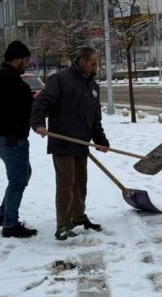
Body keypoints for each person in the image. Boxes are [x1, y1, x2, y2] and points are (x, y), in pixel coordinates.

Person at [30, 46, 111, 241]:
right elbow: (42, 103)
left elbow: (95, 119)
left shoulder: (93, 87)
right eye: (93, 63)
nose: (96, 67)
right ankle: (63, 224)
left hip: (81, 143)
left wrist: (100, 140)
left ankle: (79, 217)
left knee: (80, 184)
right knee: (66, 183)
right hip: (62, 141)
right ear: (81, 62)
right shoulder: (61, 80)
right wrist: (39, 123)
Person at [0, 40, 39, 239]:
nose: (27, 64)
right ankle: (10, 224)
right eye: (25, 60)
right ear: (16, 59)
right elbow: (17, 106)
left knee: (23, 173)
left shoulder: (4, 77)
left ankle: (4, 215)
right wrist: (33, 101)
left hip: (4, 136)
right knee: (18, 181)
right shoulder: (8, 78)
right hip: (11, 137)